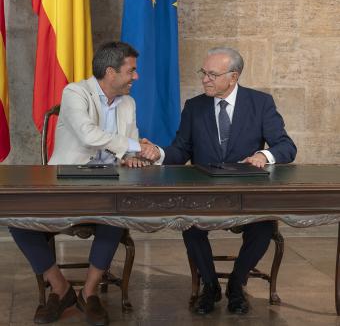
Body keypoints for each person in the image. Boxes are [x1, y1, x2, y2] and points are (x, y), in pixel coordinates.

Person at [9, 41, 159, 325]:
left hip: (110, 182)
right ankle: (61, 288)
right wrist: (132, 146)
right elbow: (89, 135)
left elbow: (127, 145)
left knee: (116, 214)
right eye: (132, 71)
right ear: (111, 72)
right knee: (17, 219)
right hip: (65, 180)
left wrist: (134, 154)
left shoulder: (128, 102)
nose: (136, 77)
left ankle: (89, 293)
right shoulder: (75, 92)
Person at [155, 47, 297, 315]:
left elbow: (286, 146)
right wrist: (158, 153)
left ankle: (236, 282)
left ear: (233, 76)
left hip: (247, 193)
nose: (205, 79)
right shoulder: (194, 107)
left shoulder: (260, 103)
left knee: (264, 228)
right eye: (203, 73)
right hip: (204, 193)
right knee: (189, 225)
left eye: (212, 74)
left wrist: (263, 154)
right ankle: (210, 286)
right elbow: (180, 150)